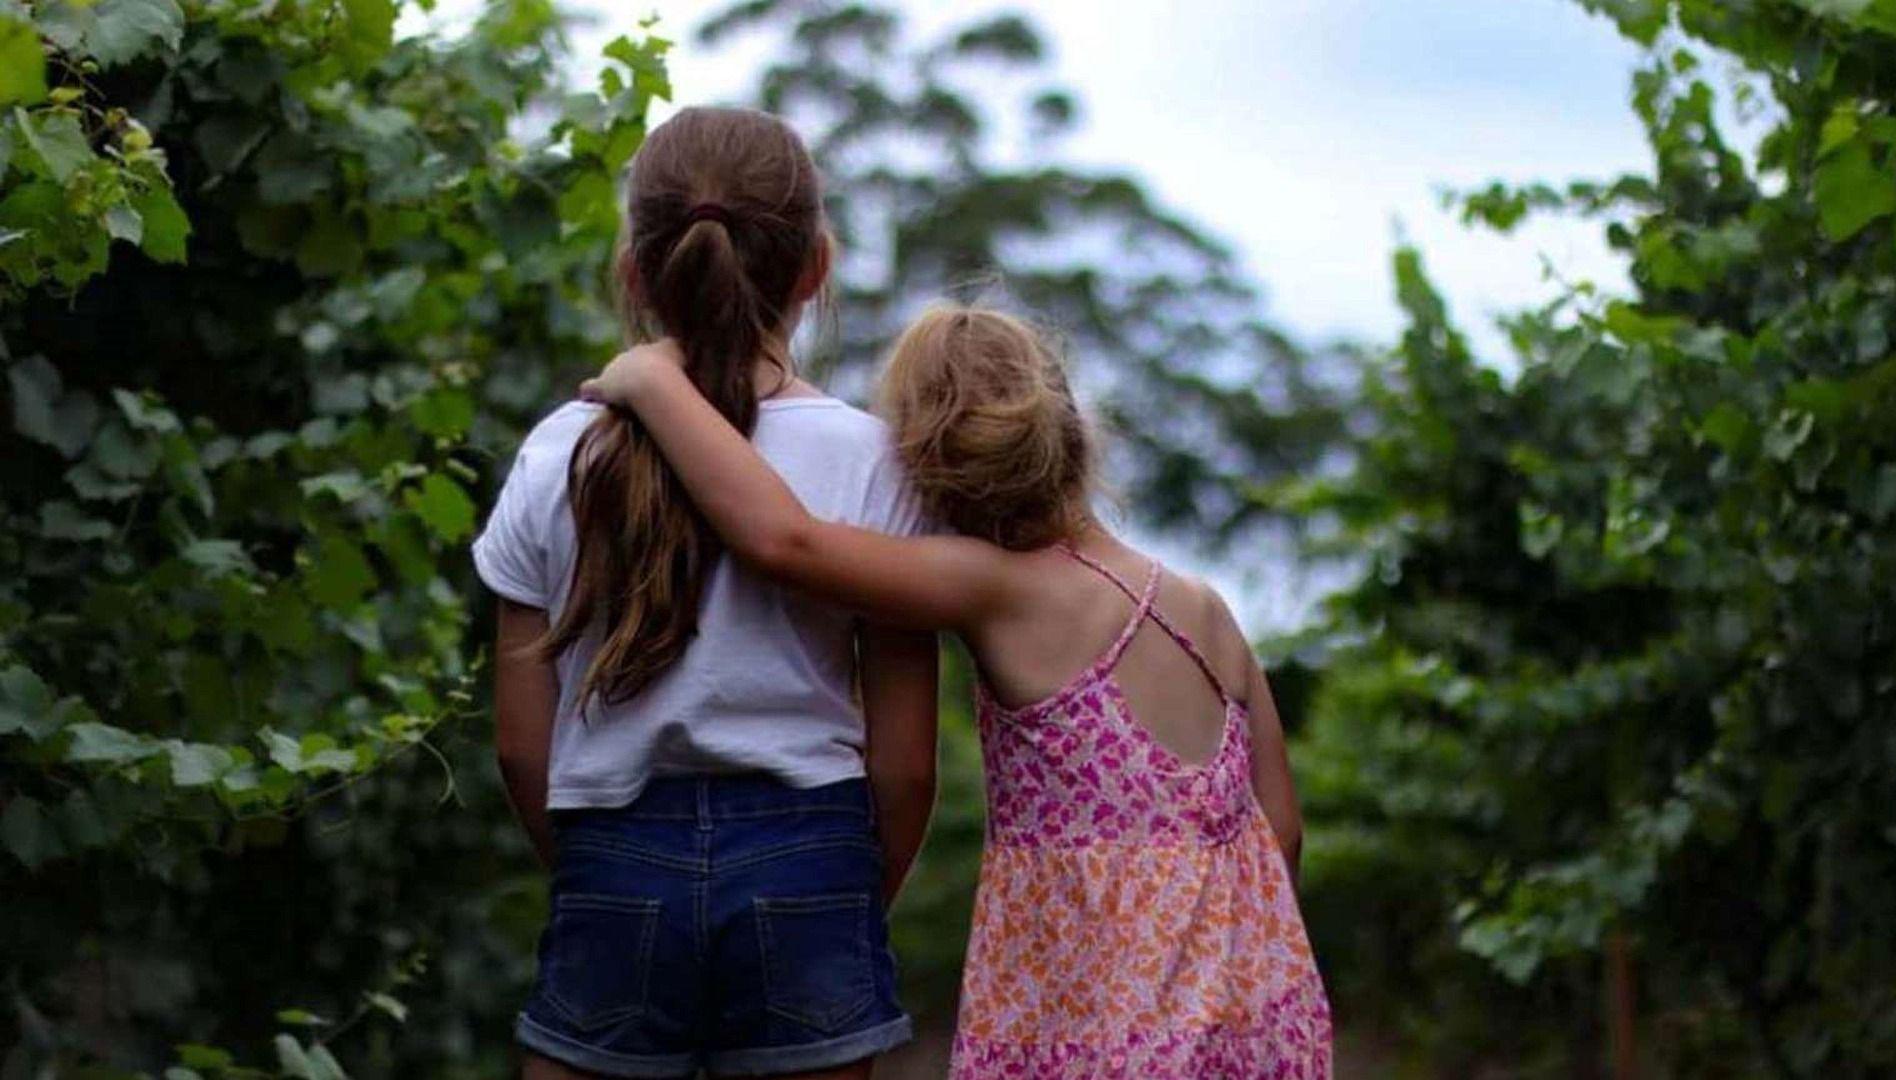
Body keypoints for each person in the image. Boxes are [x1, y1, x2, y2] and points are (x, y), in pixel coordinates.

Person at [580, 306, 1336, 1079]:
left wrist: (653, 384)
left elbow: (783, 541)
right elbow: (1280, 834)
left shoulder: (999, 589)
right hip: (1256, 1023)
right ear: (1068, 424)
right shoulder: (1206, 608)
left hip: (1092, 1026)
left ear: (928, 466)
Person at [473, 107, 939, 1080]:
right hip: (812, 847)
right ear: (815, 267)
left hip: (610, 848)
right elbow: (903, 766)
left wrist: (602, 879)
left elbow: (523, 743)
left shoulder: (558, 450)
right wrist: (845, 895)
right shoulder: (875, 462)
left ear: (636, 273)